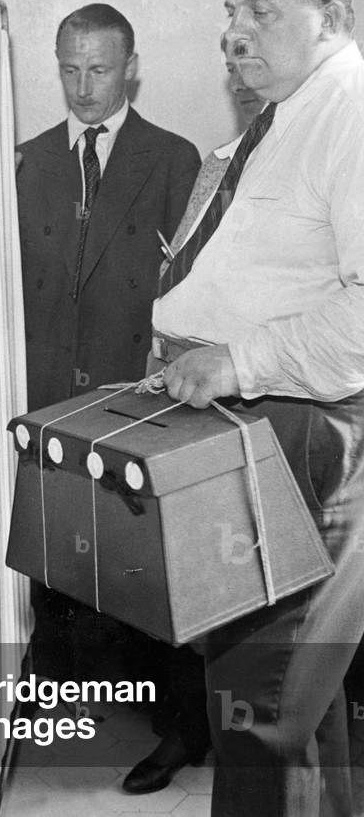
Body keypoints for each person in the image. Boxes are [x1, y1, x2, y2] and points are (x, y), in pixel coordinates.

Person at [153, 0, 364, 815]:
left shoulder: (352, 112)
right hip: (245, 432)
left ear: (329, 10)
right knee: (290, 708)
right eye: (229, 11)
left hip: (298, 436)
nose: (236, 32)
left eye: (262, 10)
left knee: (261, 702)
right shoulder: (280, 119)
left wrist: (233, 356)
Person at [16, 3, 200, 690]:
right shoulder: (27, 162)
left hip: (135, 387)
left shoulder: (173, 158)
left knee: (145, 558)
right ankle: (56, 693)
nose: (83, 87)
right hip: (49, 389)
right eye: (69, 69)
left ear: (132, 69)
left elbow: (192, 288)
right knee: (53, 557)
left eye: (98, 69)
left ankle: (174, 719)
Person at [122, 52, 268, 795]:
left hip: (265, 387)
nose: (242, 78)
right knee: (180, 564)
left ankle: (249, 741)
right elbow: (181, 265)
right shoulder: (214, 164)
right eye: (232, 66)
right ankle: (186, 728)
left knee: (259, 583)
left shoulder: (320, 157)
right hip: (188, 380)